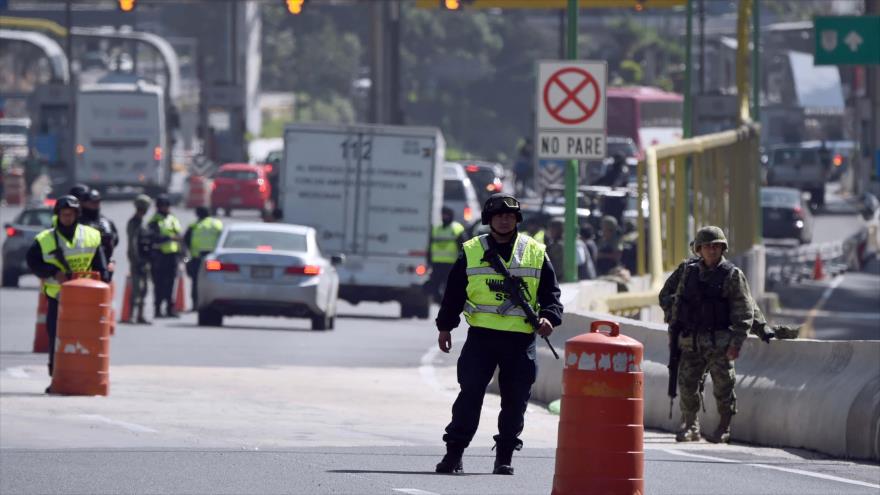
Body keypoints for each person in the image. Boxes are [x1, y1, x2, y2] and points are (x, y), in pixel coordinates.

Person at [434, 193, 563, 475]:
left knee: (515, 401)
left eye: (510, 216)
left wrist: (549, 318)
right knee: (469, 396)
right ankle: (454, 454)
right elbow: (453, 294)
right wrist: (445, 327)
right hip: (481, 338)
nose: (505, 220)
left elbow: (552, 296)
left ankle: (504, 457)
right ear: (489, 220)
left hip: (520, 341)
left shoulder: (535, 251)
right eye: (499, 216)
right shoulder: (471, 250)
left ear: (517, 220)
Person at [658, 226, 755, 444]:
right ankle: (690, 426)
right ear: (699, 249)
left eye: (716, 246)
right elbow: (670, 298)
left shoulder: (732, 275)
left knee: (723, 386)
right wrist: (674, 324)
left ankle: (724, 427)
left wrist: (736, 343)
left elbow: (744, 311)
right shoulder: (687, 271)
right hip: (690, 341)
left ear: (722, 248)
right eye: (707, 246)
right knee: (687, 384)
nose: (712, 250)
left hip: (719, 341)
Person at [25, 195, 109, 392]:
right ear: (58, 215)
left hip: (86, 300)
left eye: (70, 214)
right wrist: (53, 272)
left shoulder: (91, 236)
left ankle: (84, 378)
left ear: (77, 214)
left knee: (87, 340)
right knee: (57, 339)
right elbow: (33, 262)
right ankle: (57, 378)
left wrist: (101, 282)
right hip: (58, 299)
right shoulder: (45, 239)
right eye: (64, 214)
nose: (67, 218)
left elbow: (101, 268)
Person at [148, 194, 183, 318]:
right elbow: (152, 238)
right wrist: (169, 237)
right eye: (164, 205)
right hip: (159, 256)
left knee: (171, 283)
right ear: (158, 207)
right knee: (159, 284)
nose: (166, 208)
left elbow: (179, 236)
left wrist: (184, 257)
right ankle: (157, 309)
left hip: (172, 256)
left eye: (167, 205)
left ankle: (170, 309)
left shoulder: (173, 219)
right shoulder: (154, 221)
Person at [184, 206, 223, 310]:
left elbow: (186, 241)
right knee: (215, 280)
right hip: (213, 260)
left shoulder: (194, 225)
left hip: (197, 259)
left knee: (196, 282)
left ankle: (195, 304)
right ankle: (214, 304)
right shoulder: (217, 224)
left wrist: (187, 258)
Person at [122, 194, 154, 324]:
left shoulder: (142, 222)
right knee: (136, 288)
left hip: (145, 260)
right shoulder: (134, 222)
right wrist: (137, 260)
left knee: (144, 288)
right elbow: (133, 243)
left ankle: (140, 315)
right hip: (137, 260)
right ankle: (131, 315)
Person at [427, 206, 465, 303]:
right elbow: (430, 245)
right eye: (443, 215)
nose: (445, 217)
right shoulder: (436, 229)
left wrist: (462, 261)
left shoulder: (457, 228)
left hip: (451, 263)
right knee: (435, 285)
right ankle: (438, 301)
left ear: (451, 216)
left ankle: (449, 301)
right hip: (437, 263)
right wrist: (429, 259)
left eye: (447, 215)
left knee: (450, 285)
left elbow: (463, 246)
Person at [81, 189, 119, 277]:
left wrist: (110, 261)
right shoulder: (78, 222)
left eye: (98, 202)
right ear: (83, 203)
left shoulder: (106, 222)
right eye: (92, 202)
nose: (96, 205)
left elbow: (115, 240)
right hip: (85, 268)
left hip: (105, 267)